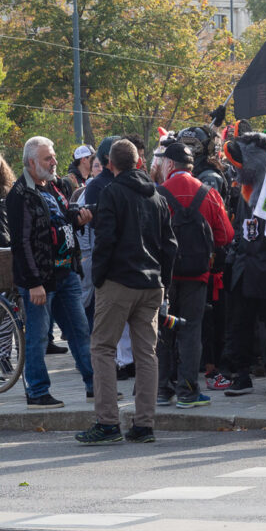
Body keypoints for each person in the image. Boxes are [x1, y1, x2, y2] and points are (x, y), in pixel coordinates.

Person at [79, 139, 177, 445]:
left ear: (110, 164)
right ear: (138, 162)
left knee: (102, 348)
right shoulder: (157, 196)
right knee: (146, 353)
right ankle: (144, 424)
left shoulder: (112, 192)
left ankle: (108, 422)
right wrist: (165, 282)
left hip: (119, 281)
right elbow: (170, 245)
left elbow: (105, 240)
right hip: (151, 284)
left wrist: (98, 278)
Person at [7, 136, 98, 408]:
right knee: (37, 336)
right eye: (48, 158)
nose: (55, 162)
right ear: (32, 162)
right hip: (40, 280)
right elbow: (22, 242)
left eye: (54, 156)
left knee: (80, 330)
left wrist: (79, 219)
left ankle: (96, 385)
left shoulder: (54, 186)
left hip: (66, 274)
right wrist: (34, 283)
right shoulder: (20, 193)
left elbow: (58, 224)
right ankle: (37, 391)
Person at [152, 138, 233, 407]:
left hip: (166, 277)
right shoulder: (208, 193)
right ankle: (188, 392)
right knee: (191, 331)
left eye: (163, 162)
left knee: (165, 329)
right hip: (198, 276)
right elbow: (225, 236)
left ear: (171, 164)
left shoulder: (158, 194)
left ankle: (163, 390)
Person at [218, 132, 266, 396]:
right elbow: (241, 230)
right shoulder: (244, 193)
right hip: (243, 270)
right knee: (240, 325)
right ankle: (242, 375)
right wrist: (233, 259)